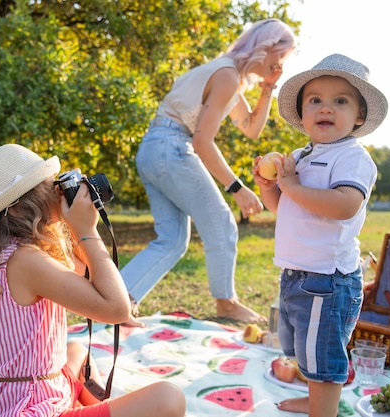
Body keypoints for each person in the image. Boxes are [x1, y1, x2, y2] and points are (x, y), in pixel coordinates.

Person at [0, 143, 186, 417]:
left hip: (5, 401)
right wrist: (87, 230)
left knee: (75, 351)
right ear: (16, 208)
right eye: (48, 184)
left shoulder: (8, 254)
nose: (57, 190)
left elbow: (90, 276)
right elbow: (116, 309)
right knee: (168, 399)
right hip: (30, 409)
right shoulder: (26, 261)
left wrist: (74, 228)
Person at [121, 18, 297, 325]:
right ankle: (226, 303)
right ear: (265, 48)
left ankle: (117, 301)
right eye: (280, 57)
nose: (279, 64)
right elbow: (202, 141)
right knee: (222, 223)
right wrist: (238, 188)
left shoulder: (228, 75)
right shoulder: (227, 75)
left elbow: (251, 128)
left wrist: (268, 88)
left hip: (153, 149)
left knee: (172, 240)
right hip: (171, 147)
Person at [253, 54, 388, 417]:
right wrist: (270, 186)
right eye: (315, 100)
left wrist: (290, 182)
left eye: (340, 101)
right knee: (304, 346)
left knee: (324, 354)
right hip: (297, 274)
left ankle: (323, 409)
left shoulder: (353, 157)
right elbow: (285, 207)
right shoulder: (299, 156)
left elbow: (344, 204)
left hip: (328, 279)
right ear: (301, 114)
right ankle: (314, 401)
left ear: (359, 116)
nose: (325, 108)